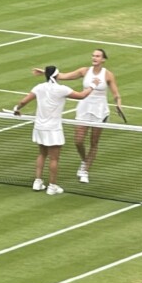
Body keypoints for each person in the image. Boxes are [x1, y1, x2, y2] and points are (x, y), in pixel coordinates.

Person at [32, 49, 122, 184]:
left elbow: (116, 94)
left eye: (97, 56)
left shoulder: (108, 75)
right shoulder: (84, 71)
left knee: (94, 142)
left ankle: (85, 169)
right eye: (93, 55)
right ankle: (85, 161)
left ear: (103, 59)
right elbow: (62, 76)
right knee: (78, 141)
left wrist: (118, 104)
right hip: (83, 109)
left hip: (100, 111)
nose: (94, 58)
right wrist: (45, 73)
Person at [13, 66, 98, 196]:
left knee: (42, 154)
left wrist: (16, 108)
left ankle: (38, 181)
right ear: (57, 76)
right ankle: (52, 186)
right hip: (53, 129)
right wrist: (93, 85)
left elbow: (24, 101)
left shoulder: (39, 87)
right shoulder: (62, 89)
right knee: (54, 159)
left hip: (40, 127)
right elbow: (82, 96)